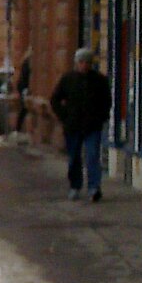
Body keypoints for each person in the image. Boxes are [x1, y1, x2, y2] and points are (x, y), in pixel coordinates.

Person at [49, 48, 111, 201]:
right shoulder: (68, 79)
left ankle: (94, 187)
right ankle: (75, 186)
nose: (84, 65)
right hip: (73, 126)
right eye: (82, 62)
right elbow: (55, 99)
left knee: (92, 156)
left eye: (87, 62)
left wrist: (101, 117)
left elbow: (106, 101)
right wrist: (64, 116)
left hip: (92, 126)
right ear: (77, 63)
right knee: (74, 158)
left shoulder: (99, 80)